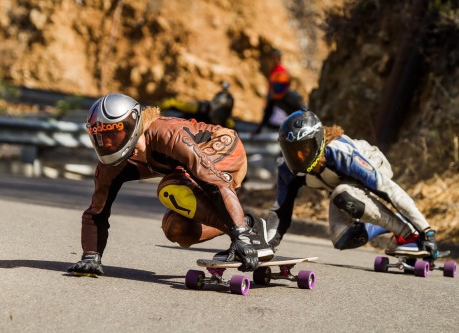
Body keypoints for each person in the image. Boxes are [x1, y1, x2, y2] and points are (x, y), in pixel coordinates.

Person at [67, 93, 273, 276]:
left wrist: (239, 234)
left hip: (225, 146)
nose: (108, 143)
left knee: (171, 187)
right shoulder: (109, 166)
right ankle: (250, 225)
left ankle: (245, 232)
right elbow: (96, 212)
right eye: (101, 136)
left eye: (115, 132)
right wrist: (90, 256)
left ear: (134, 123)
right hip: (200, 173)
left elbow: (214, 182)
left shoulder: (167, 135)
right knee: (176, 229)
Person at [266, 109, 440, 263]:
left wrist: (426, 231)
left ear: (317, 142)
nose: (299, 158)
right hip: (342, 188)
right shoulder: (286, 170)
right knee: (342, 238)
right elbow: (281, 212)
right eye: (291, 152)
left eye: (304, 149)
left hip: (373, 164)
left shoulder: (340, 153)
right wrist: (268, 246)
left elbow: (388, 189)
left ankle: (409, 233)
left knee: (343, 194)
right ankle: (396, 223)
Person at [253, 48, 304, 135]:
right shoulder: (274, 97)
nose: (278, 87)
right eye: (276, 85)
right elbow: (267, 114)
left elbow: (302, 114)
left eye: (280, 85)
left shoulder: (292, 98)